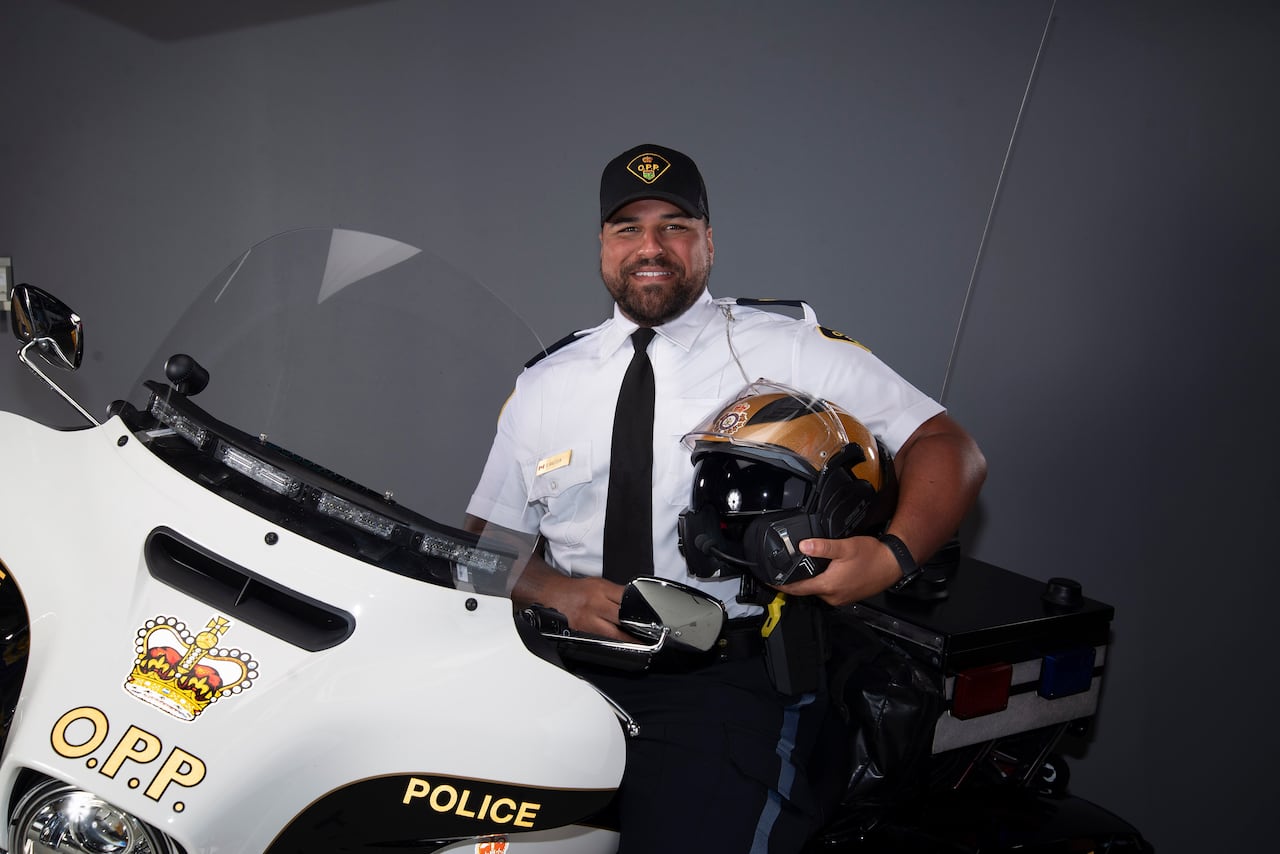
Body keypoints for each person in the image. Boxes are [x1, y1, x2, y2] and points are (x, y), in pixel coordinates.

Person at [465, 143, 986, 853]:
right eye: (628, 229)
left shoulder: (790, 349)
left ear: (708, 241)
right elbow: (486, 546)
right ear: (602, 246)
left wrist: (892, 557)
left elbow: (947, 445)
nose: (651, 246)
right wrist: (556, 589)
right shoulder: (546, 384)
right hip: (563, 669)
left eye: (675, 225)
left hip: (720, 680)